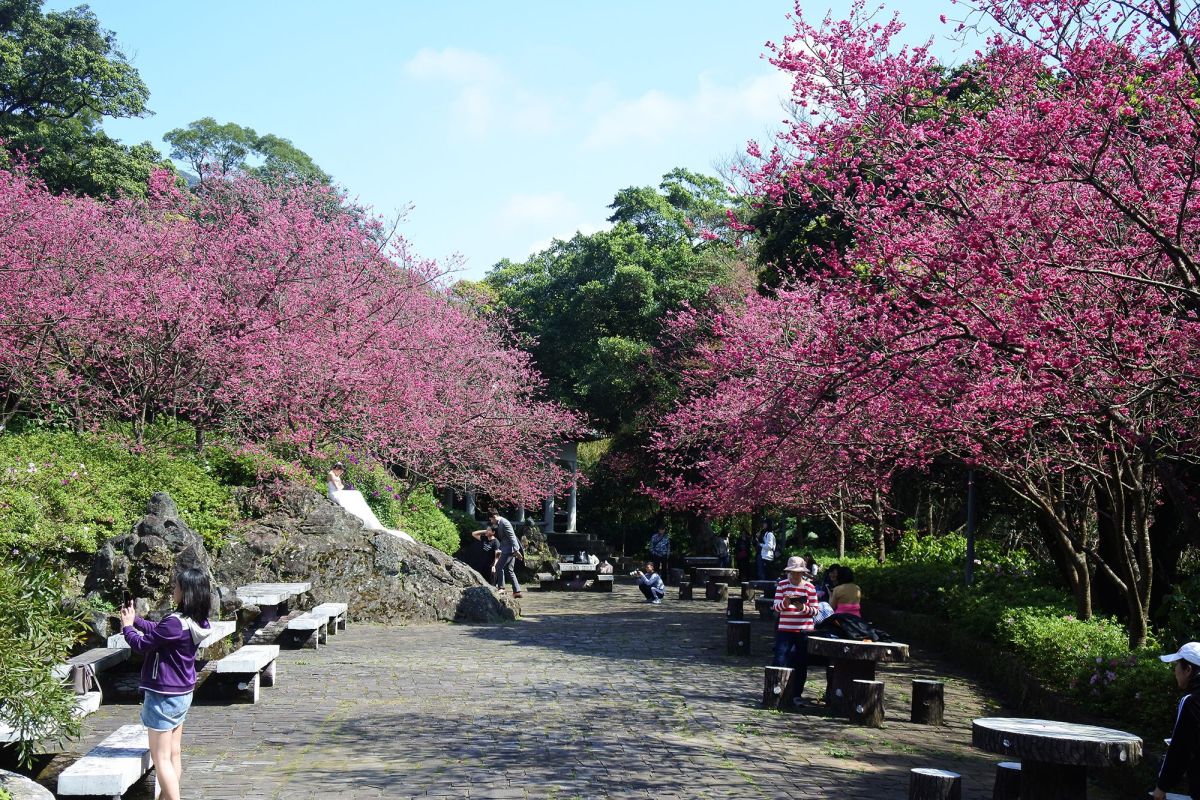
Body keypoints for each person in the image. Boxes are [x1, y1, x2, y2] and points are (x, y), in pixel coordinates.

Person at [119, 568, 212, 800]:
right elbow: (160, 632)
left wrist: (128, 628)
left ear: (187, 592)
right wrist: (136, 620)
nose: (174, 589)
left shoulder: (174, 623)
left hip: (164, 694)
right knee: (173, 754)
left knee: (160, 757)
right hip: (182, 692)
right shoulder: (195, 620)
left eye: (177, 586)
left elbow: (142, 645)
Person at [1153, 642, 1200, 799]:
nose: (1174, 671)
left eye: (1176, 665)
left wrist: (1161, 787)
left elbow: (1181, 749)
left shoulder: (1191, 701)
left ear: (1188, 670)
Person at [772, 556, 819, 704]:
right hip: (785, 629)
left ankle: (796, 693)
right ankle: (777, 690)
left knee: (801, 662)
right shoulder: (782, 585)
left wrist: (802, 607)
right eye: (793, 572)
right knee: (780, 659)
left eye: (798, 572)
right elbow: (775, 607)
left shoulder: (809, 587)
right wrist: (785, 603)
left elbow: (815, 611)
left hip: (804, 630)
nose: (795, 575)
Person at [489, 511, 523, 597]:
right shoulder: (500, 523)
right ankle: (517, 591)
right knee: (510, 570)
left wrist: (516, 550)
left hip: (508, 550)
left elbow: (512, 536)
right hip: (508, 549)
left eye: (491, 519)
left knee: (498, 567)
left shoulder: (504, 523)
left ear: (494, 516)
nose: (491, 521)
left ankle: (502, 588)